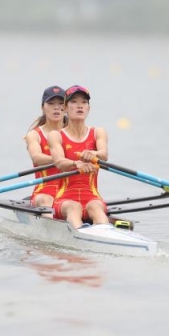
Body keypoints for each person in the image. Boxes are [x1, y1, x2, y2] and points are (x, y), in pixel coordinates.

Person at [48, 85, 109, 229]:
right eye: (74, 102)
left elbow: (104, 155)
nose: (79, 106)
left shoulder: (98, 132)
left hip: (93, 197)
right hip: (65, 200)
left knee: (96, 208)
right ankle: (80, 234)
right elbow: (59, 162)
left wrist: (93, 154)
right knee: (73, 208)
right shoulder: (56, 135)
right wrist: (76, 164)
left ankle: (106, 233)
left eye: (84, 102)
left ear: (88, 108)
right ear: (65, 108)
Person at [25, 85, 67, 215]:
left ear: (66, 108)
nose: (56, 107)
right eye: (51, 103)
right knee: (47, 200)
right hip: (45, 191)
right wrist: (63, 161)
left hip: (70, 190)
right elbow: (37, 158)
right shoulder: (34, 135)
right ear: (43, 107)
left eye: (61, 103)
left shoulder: (75, 133)